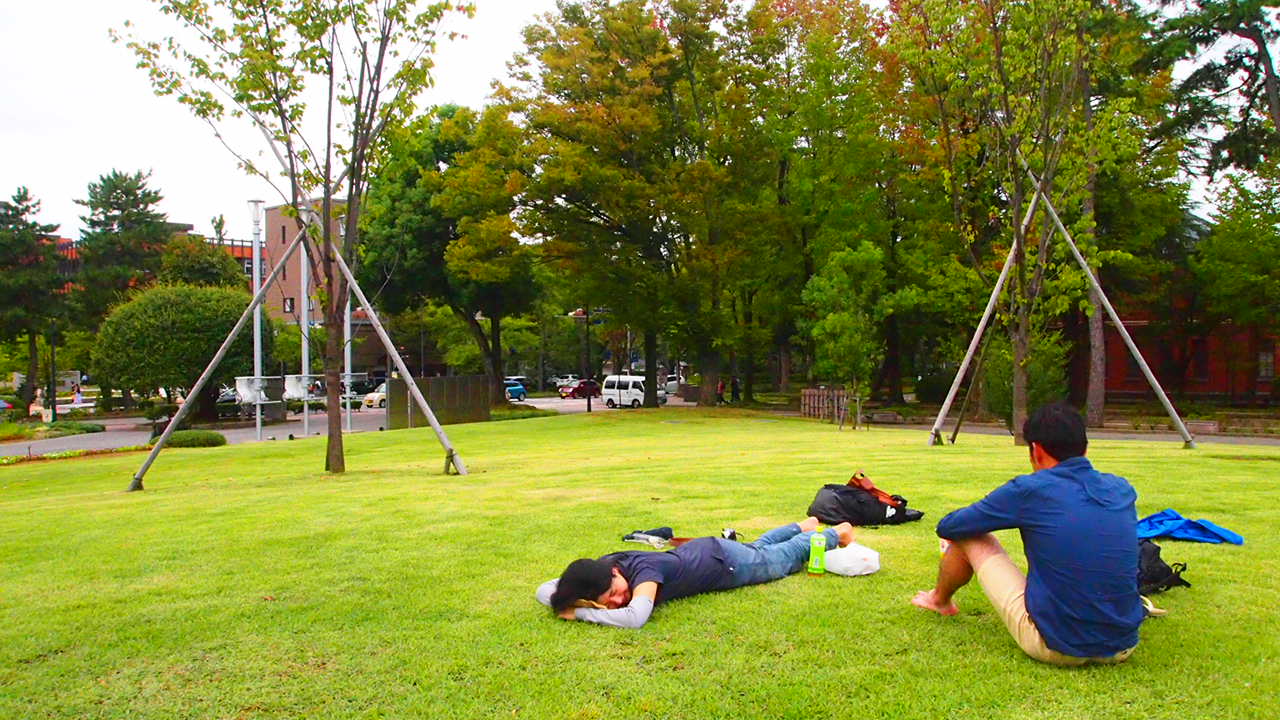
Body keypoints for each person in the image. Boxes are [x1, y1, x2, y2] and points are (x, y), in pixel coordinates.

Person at [911, 402, 1144, 666]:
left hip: (1057, 645)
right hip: (1124, 644)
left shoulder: (1030, 489)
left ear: (1036, 450)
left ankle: (939, 600)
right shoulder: (1121, 487)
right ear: (1085, 448)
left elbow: (949, 527)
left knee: (969, 534)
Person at [537, 517, 857, 628]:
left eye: (614, 593)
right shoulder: (605, 564)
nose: (619, 600)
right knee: (761, 548)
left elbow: (635, 618)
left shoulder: (644, 573)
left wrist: (580, 615)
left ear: (615, 575)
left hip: (727, 566)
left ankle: (836, 533)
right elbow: (543, 589)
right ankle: (801, 525)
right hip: (710, 549)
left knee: (782, 560)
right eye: (607, 603)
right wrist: (569, 600)